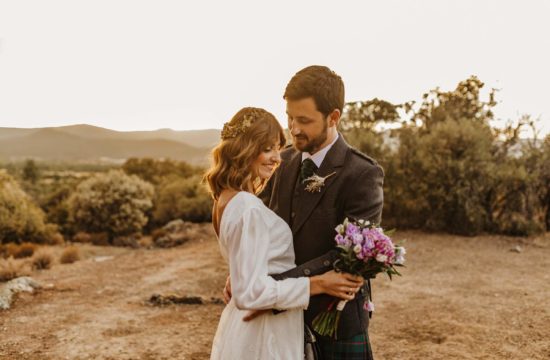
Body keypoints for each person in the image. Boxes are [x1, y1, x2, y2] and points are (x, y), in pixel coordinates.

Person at [226, 66, 384, 359]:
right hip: (280, 317)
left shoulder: (362, 173)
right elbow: (257, 226)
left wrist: (274, 286)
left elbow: (347, 255)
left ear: (333, 117)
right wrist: (243, 270)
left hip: (335, 318)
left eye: (304, 120)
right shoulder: (281, 162)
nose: (293, 128)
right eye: (289, 117)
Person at [205, 107, 364, 360]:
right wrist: (320, 283)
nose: (277, 158)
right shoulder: (248, 208)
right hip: (264, 331)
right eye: (267, 149)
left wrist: (242, 273)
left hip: (249, 326)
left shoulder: (225, 199)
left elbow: (248, 271)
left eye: (278, 148)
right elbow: (252, 293)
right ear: (244, 148)